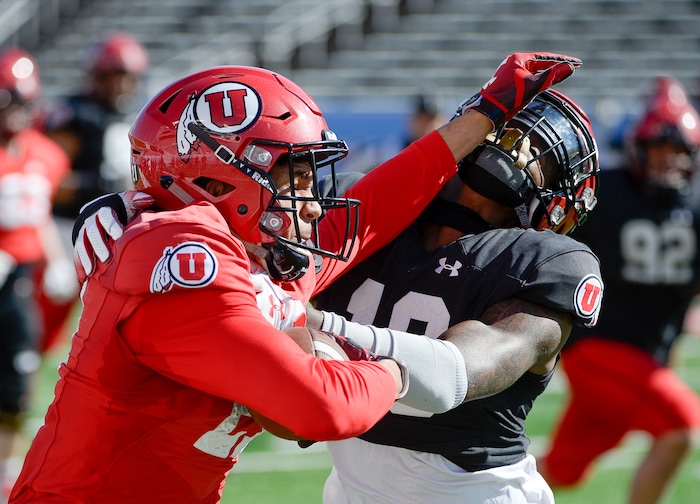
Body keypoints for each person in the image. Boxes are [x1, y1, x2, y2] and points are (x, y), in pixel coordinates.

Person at [11, 53, 580, 503]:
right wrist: (399, 366)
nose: (310, 202)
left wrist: (484, 111)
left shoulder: (249, 251)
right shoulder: (183, 260)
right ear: (216, 183)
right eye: (295, 175)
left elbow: (368, 210)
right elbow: (319, 409)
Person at [538, 76, 700, 504]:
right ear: (638, 150)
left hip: (642, 356)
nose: (668, 162)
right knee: (681, 428)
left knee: (562, 471)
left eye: (677, 152)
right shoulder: (607, 191)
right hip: (597, 346)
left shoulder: (691, 210)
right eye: (659, 151)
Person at [38, 31, 150, 353]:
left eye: (127, 77)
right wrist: (94, 185)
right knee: (51, 309)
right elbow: (48, 182)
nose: (122, 85)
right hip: (67, 227)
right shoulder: (76, 115)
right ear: (98, 76)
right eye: (115, 76)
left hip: (112, 228)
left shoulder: (135, 113)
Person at [0, 48, 71, 503]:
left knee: (16, 385)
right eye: (11, 101)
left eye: (25, 101)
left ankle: (5, 475)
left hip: (20, 280)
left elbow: (39, 214)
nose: (20, 111)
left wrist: (55, 258)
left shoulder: (47, 154)